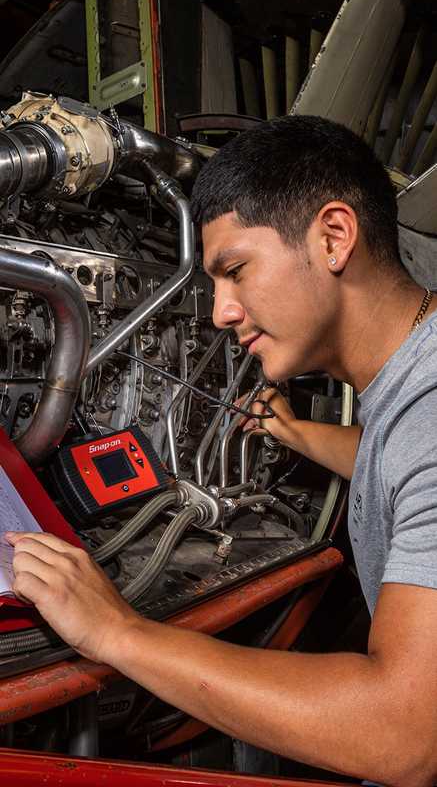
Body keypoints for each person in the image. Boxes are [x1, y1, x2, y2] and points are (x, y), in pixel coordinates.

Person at [6, 115, 437, 787]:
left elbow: (405, 737)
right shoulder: (412, 383)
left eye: (235, 271)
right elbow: (400, 467)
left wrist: (117, 631)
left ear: (332, 237)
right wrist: (293, 433)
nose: (220, 313)